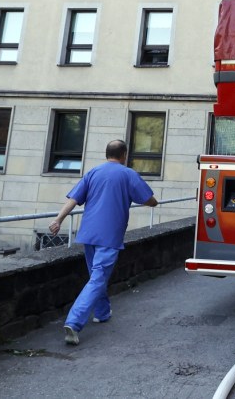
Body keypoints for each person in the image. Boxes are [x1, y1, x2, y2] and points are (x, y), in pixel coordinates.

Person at [49, 139, 158, 345]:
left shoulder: (93, 172)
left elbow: (73, 199)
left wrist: (58, 219)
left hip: (89, 233)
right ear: (124, 154)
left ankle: (102, 312)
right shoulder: (128, 174)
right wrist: (154, 201)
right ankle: (74, 321)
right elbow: (149, 199)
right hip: (109, 235)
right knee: (98, 277)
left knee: (95, 275)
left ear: (106, 153)